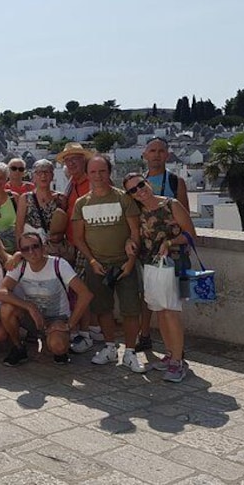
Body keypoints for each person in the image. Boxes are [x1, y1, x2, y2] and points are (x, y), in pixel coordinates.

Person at [72, 155, 146, 373]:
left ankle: (130, 352)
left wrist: (131, 262)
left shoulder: (124, 199)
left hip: (124, 264)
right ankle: (110, 347)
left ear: (109, 172)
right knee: (103, 309)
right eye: (93, 172)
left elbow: (135, 232)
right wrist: (92, 261)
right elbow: (79, 238)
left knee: (131, 310)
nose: (98, 176)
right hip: (98, 265)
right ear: (87, 174)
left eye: (102, 171)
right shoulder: (81, 203)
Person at [123, 172, 196, 383]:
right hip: (152, 267)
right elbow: (135, 234)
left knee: (171, 312)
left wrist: (170, 243)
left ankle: (177, 362)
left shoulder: (171, 205)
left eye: (140, 185)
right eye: (133, 190)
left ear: (147, 183)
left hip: (173, 265)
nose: (139, 191)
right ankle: (171, 354)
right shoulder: (139, 211)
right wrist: (129, 241)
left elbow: (191, 234)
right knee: (161, 312)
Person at [0, 232, 94, 366]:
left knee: (58, 347)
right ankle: (18, 347)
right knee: (6, 308)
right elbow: (1, 292)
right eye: (26, 249)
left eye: (35, 246)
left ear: (43, 248)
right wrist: (30, 306)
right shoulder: (21, 265)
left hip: (57, 318)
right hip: (33, 316)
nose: (31, 252)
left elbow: (85, 294)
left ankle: (56, 343)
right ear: (21, 252)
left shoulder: (59, 265)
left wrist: (69, 325)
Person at [136, 136, 190, 352]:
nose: (156, 155)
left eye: (160, 151)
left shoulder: (176, 182)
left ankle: (176, 350)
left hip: (172, 252)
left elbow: (185, 217)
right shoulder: (140, 183)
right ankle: (146, 334)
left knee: (171, 304)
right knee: (149, 296)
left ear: (167, 155)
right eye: (152, 151)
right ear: (145, 155)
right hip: (146, 251)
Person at [55, 141, 101, 352]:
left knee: (81, 289)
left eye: (75, 158)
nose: (71, 162)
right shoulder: (72, 183)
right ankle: (89, 329)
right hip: (73, 244)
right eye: (67, 159)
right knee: (80, 288)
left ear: (84, 160)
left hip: (87, 244)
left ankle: (84, 335)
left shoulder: (91, 183)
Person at [14, 159, 70, 258]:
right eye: (39, 172)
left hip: (53, 250)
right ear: (33, 176)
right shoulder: (26, 198)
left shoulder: (61, 199)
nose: (43, 176)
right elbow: (19, 227)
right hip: (32, 249)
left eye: (47, 172)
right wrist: (21, 250)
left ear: (52, 176)